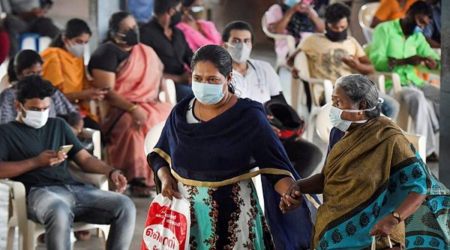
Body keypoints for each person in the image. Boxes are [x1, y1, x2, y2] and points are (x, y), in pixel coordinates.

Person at [148, 45, 316, 249]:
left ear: (228, 78)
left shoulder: (248, 117)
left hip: (235, 221)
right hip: (186, 219)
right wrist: (166, 178)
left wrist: (290, 193)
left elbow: (275, 168)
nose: (203, 85)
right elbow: (159, 156)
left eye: (212, 80)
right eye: (198, 78)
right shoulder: (181, 113)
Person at [281, 74, 450, 249]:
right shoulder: (338, 132)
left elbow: (420, 187)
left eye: (338, 103)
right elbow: (327, 178)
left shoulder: (390, 138)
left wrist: (394, 219)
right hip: (332, 230)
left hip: (375, 236)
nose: (333, 108)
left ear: (361, 106)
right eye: (333, 101)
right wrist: (298, 187)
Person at [0, 75, 136, 250]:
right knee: (58, 210)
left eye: (46, 109)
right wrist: (36, 162)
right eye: (35, 109)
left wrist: (111, 172)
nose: (41, 114)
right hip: (38, 193)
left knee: (125, 206)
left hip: (74, 189)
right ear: (18, 106)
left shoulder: (58, 125)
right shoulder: (6, 133)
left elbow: (85, 159)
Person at [222, 20, 322, 177]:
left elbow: (279, 102)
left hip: (272, 133)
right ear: (225, 45)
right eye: (236, 41)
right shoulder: (220, 75)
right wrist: (261, 123)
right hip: (242, 137)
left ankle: (287, 195)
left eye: (246, 41)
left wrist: (290, 124)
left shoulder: (264, 68)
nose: (242, 45)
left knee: (312, 153)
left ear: (251, 44)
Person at [89, 12, 172, 197]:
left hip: (147, 103)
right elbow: (107, 93)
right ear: (114, 32)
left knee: (170, 117)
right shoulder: (106, 53)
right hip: (119, 109)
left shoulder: (146, 51)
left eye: (134, 27)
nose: (133, 32)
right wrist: (133, 109)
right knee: (135, 126)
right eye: (127, 29)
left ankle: (167, 174)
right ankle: (137, 178)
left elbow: (159, 79)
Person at [290, 3, 399, 119]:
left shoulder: (351, 42)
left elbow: (371, 68)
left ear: (347, 24)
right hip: (328, 92)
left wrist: (357, 65)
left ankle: (378, 135)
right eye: (335, 28)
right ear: (327, 25)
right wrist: (296, 69)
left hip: (354, 90)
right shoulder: (312, 41)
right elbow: (291, 60)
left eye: (342, 28)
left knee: (391, 106)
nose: (339, 31)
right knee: (368, 110)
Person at [369, 1, 440, 160]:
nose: (421, 27)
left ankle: (435, 130)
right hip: (393, 83)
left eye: (425, 24)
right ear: (409, 14)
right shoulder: (385, 30)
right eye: (420, 21)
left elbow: (432, 57)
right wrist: (406, 60)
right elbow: (377, 61)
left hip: (415, 81)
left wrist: (433, 62)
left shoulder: (417, 36)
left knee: (442, 96)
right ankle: (426, 151)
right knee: (418, 97)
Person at [41, 18, 106, 129]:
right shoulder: (52, 55)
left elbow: (83, 88)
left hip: (74, 109)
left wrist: (93, 93)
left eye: (85, 43)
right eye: (79, 41)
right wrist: (85, 94)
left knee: (99, 130)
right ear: (65, 39)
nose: (82, 46)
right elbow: (53, 98)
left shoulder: (78, 58)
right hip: (56, 112)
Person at [0, 49, 77, 124]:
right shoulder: (9, 95)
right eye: (30, 73)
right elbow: (4, 124)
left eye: (39, 72)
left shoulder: (50, 91)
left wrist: (74, 129)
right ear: (19, 74)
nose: (35, 77)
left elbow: (73, 115)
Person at [140, 0, 194, 102]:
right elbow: (146, 71)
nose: (181, 13)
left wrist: (197, 72)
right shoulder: (145, 34)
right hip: (163, 85)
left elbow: (190, 56)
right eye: (179, 9)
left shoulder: (178, 33)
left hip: (184, 81)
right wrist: (178, 78)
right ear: (171, 11)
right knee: (194, 96)